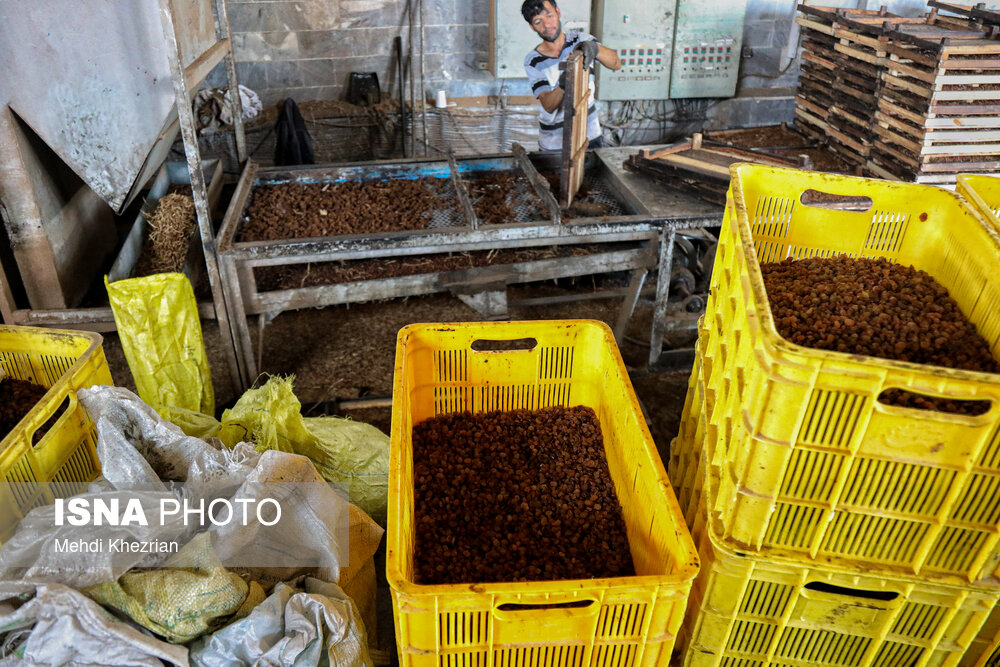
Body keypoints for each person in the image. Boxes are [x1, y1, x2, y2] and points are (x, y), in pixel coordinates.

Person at [521, 0, 621, 151]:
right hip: (555, 142)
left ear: (558, 12)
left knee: (591, 172)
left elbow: (616, 64)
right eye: (538, 21)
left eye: (549, 16)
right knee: (555, 175)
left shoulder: (582, 40)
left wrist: (595, 49)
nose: (547, 25)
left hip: (589, 134)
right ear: (531, 26)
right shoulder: (533, 60)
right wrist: (564, 83)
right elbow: (548, 106)